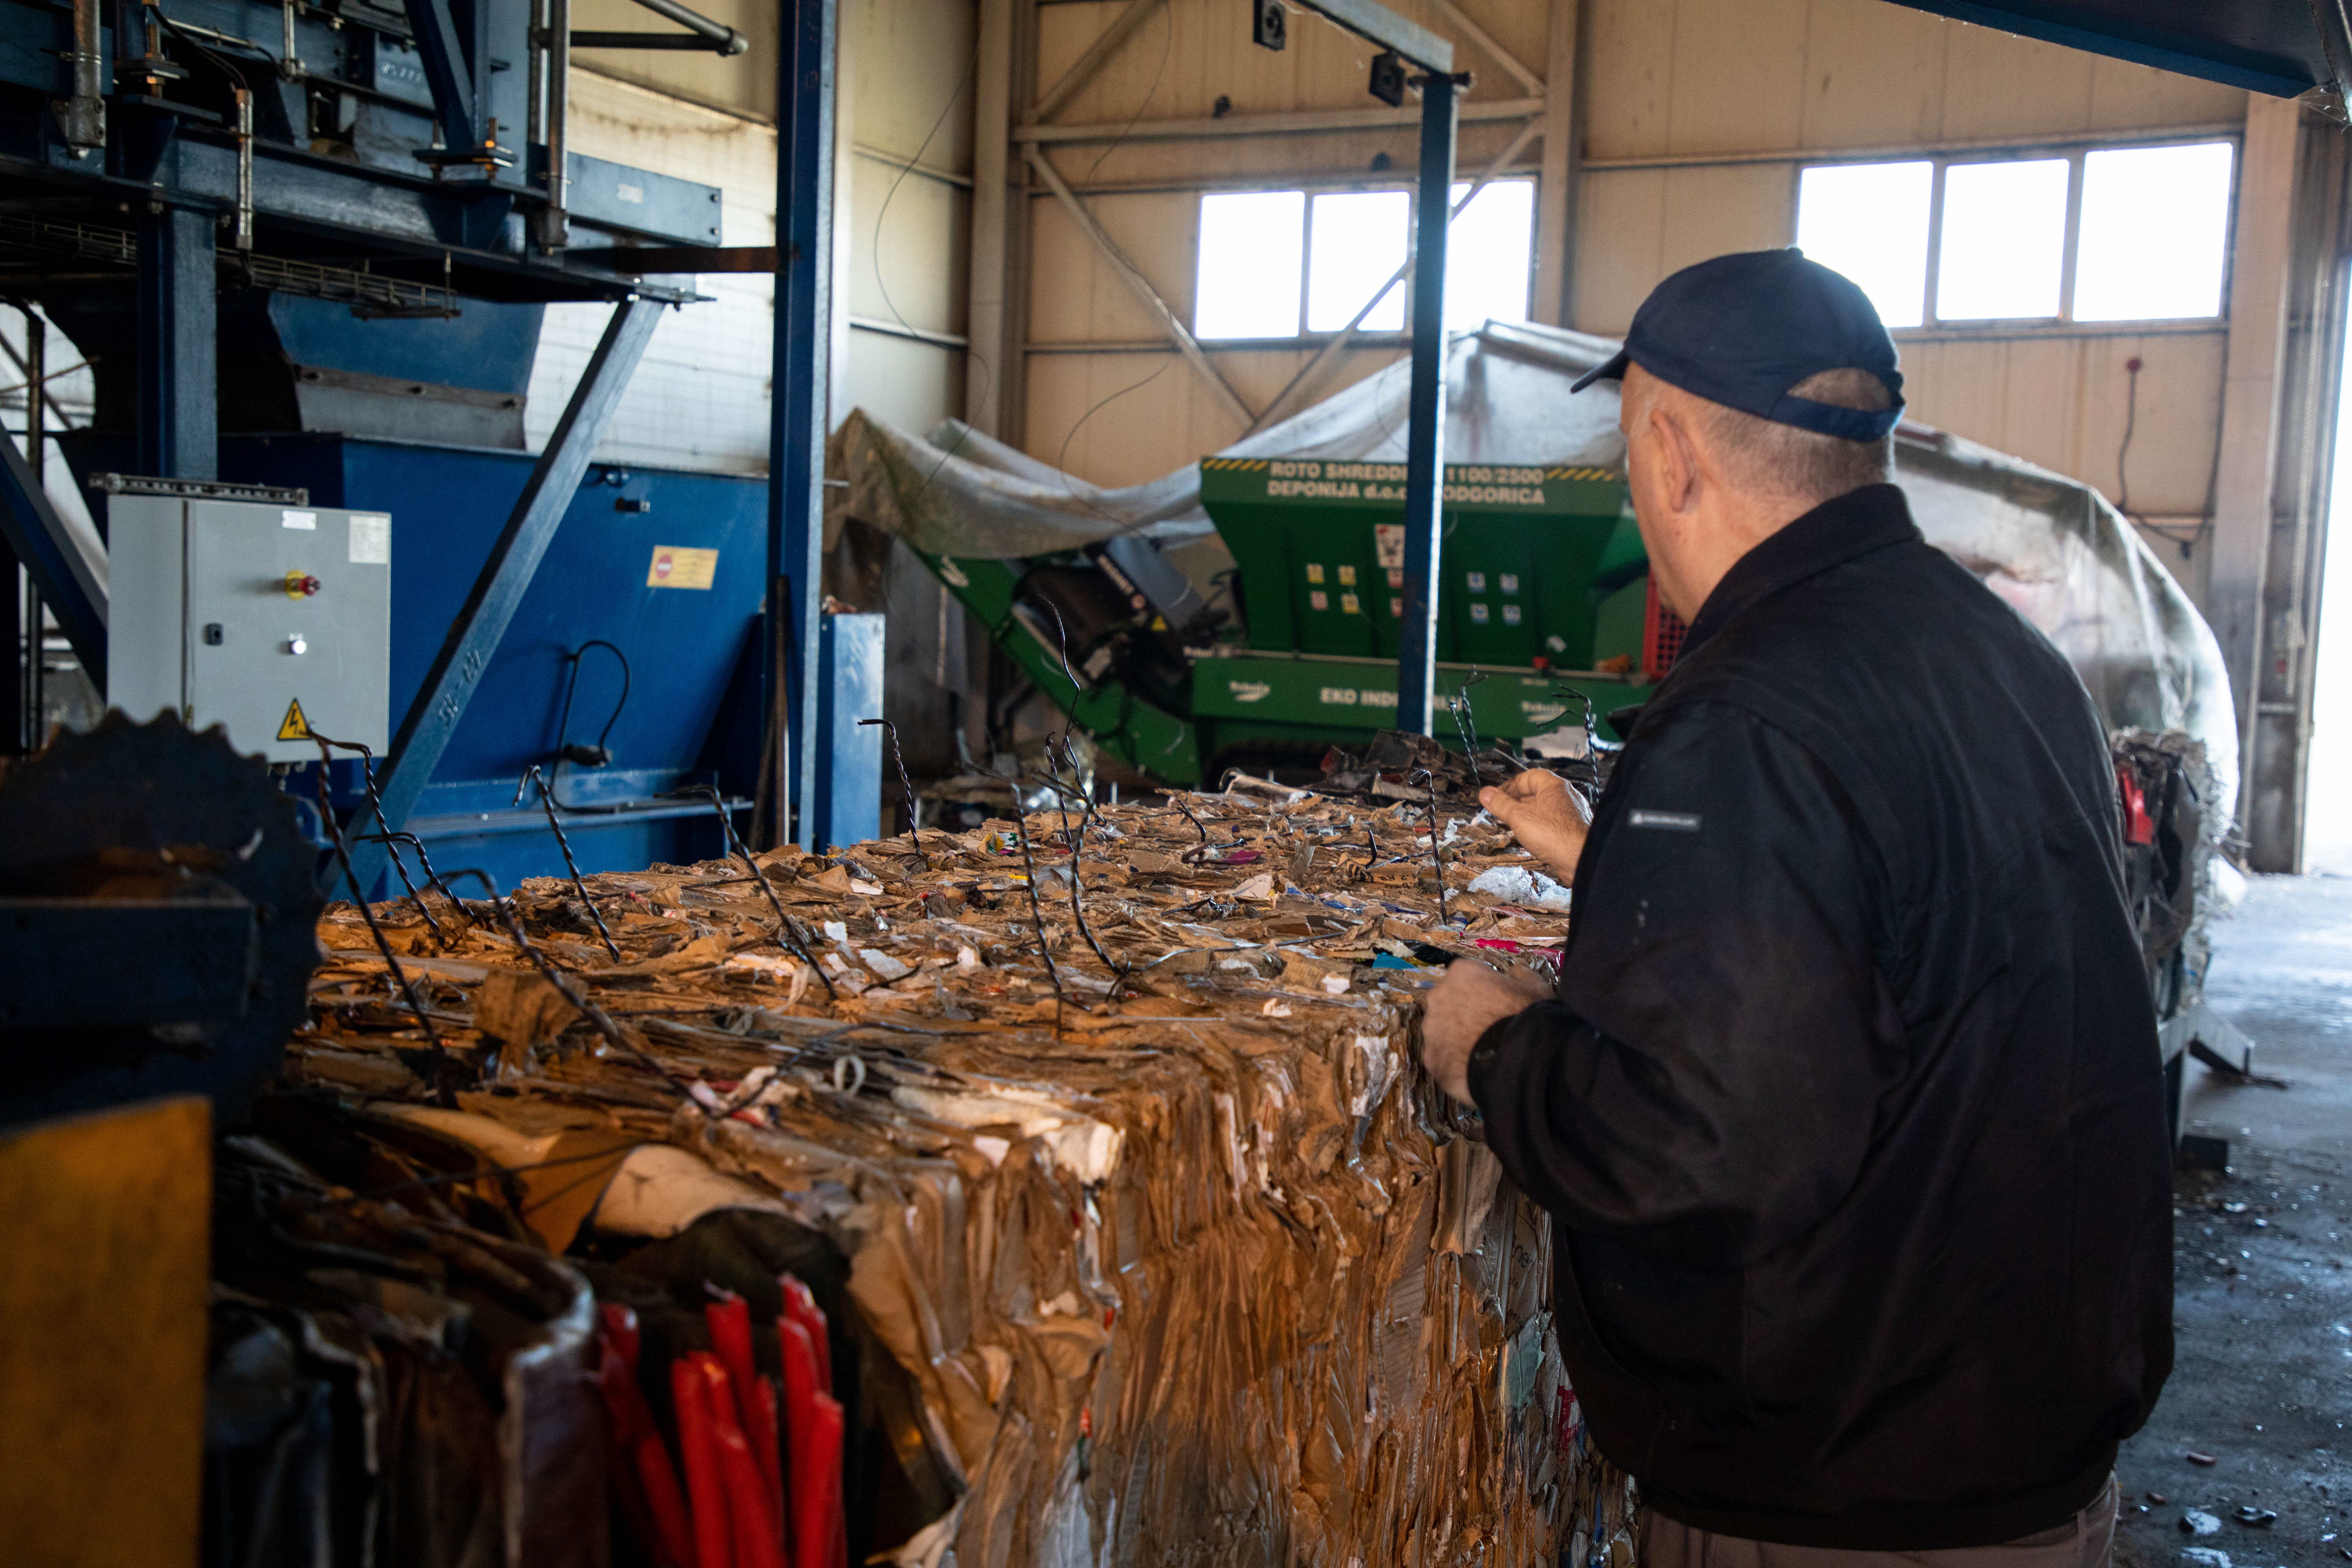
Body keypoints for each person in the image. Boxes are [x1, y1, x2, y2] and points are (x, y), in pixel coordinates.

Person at [1418, 248, 2173, 1568]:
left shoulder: (1748, 711)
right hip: (2021, 1460)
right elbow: (1916, 943)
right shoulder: (2006, 661)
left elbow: (1694, 1150)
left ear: (1668, 450)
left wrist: (1492, 1044)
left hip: (1837, 1499)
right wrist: (1619, 873)